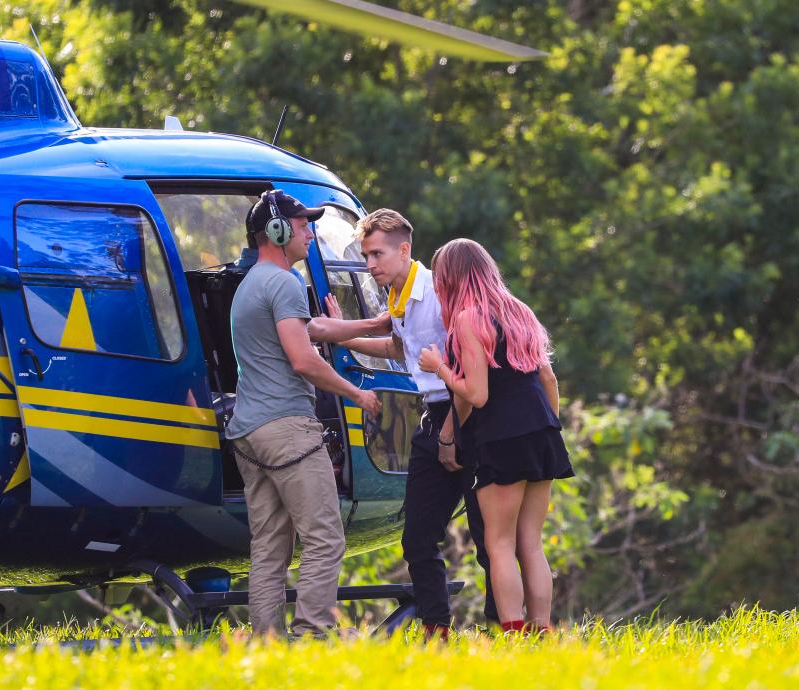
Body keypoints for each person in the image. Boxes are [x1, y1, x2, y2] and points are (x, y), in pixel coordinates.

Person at [308, 209, 497, 639]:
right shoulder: (396, 295)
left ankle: (506, 624)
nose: (369, 264)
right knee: (417, 538)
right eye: (365, 255)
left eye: (376, 255)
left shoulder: (434, 291)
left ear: (405, 250)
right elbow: (399, 345)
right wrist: (339, 334)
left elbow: (466, 370)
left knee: (487, 534)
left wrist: (451, 433)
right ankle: (437, 630)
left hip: (463, 410)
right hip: (432, 413)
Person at [226, 190, 381, 638]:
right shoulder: (284, 282)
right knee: (325, 536)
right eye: (302, 225)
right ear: (275, 232)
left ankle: (266, 641)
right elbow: (303, 358)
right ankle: (313, 632)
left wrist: (373, 325)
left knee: (270, 545)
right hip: (288, 430)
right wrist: (358, 394)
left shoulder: (252, 285)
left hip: (250, 433)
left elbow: (313, 328)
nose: (310, 234)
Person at [418, 238, 574, 634]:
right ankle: (543, 628)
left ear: (451, 279)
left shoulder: (470, 318)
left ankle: (514, 631)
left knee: (499, 542)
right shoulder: (519, 311)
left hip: (500, 437)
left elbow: (477, 394)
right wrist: (547, 428)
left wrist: (439, 368)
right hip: (541, 431)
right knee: (531, 543)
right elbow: (547, 377)